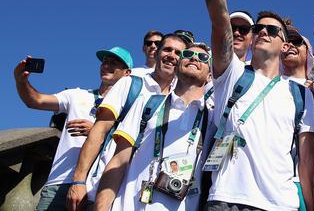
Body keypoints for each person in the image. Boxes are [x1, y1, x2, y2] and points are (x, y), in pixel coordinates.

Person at [196, 0, 314, 211]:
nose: (263, 32)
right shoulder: (233, 75)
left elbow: (307, 158)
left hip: (281, 204)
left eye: (272, 30)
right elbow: (219, 17)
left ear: (285, 45)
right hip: (228, 199)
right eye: (258, 29)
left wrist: (312, 206)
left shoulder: (300, 94)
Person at [66, 34, 185, 211]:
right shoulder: (131, 83)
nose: (172, 55)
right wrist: (79, 180)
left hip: (137, 198)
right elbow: (99, 130)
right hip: (100, 190)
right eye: (167, 49)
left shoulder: (178, 98)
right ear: (157, 53)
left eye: (178, 53)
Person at [95, 43, 213, 211]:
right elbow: (119, 160)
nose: (194, 58)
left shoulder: (213, 118)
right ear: (177, 66)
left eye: (203, 58)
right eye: (187, 54)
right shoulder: (147, 103)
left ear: (210, 76)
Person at [13, 46, 133, 211]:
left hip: (97, 188)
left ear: (127, 73)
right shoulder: (76, 95)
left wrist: (99, 132)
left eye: (114, 63)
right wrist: (21, 81)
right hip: (59, 183)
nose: (106, 65)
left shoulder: (130, 110)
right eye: (104, 62)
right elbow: (36, 101)